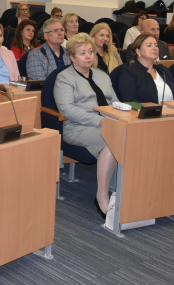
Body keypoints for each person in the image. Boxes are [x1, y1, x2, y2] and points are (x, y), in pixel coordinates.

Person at [53, 33, 118, 221]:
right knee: (111, 139)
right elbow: (68, 110)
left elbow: (115, 101)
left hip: (108, 123)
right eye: (82, 53)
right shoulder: (64, 78)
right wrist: (99, 121)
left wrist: (121, 115)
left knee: (131, 136)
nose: (88, 56)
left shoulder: (102, 76)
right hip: (76, 127)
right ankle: (102, 195)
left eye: (90, 51)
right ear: (72, 57)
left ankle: (124, 191)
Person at [119, 33, 174, 104]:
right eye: (149, 45)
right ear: (138, 51)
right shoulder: (129, 72)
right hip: (148, 113)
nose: (155, 48)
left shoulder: (163, 70)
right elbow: (130, 101)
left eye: (156, 45)